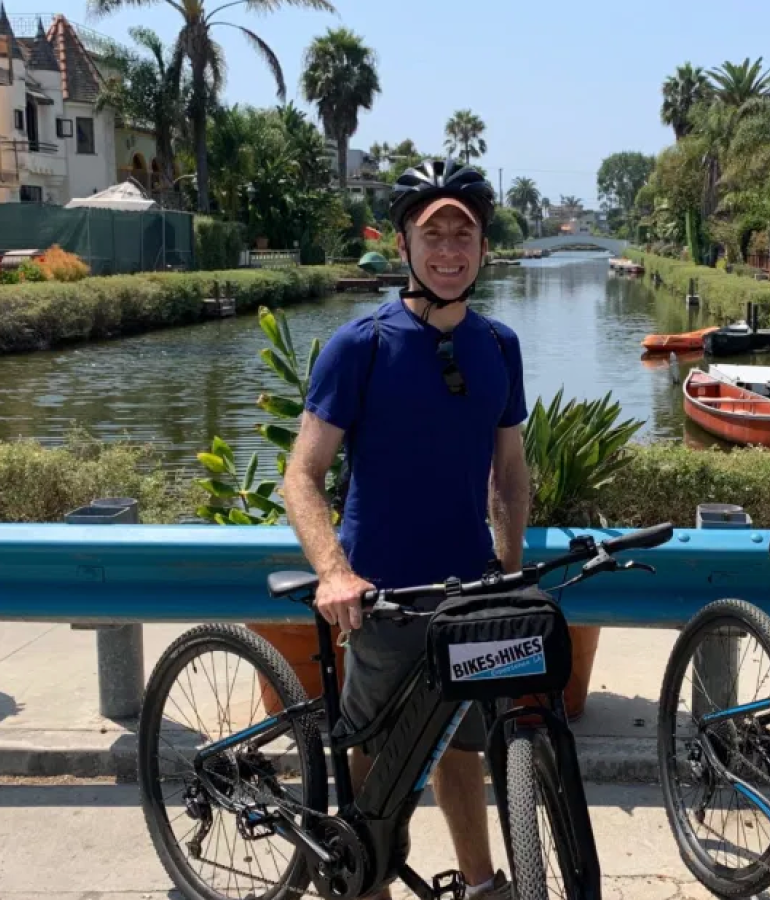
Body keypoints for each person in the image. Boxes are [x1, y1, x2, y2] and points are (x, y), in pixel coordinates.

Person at [283, 158, 531, 900]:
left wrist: (508, 568)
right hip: (381, 588)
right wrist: (334, 570)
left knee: (462, 743)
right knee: (377, 753)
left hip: (466, 584)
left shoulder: (499, 346)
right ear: (404, 247)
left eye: (466, 233)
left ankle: (482, 882)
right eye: (434, 234)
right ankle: (364, 881)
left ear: (484, 248)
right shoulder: (359, 346)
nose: (450, 249)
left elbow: (510, 471)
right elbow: (302, 476)